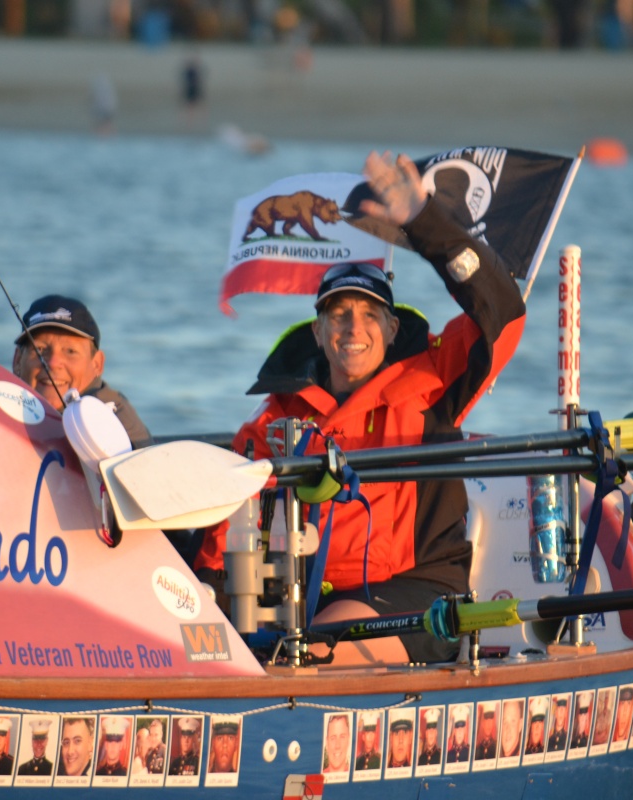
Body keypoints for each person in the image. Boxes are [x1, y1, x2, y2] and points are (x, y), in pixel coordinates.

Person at [195, 151, 527, 665]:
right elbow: (224, 527)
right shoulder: (273, 417)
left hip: (417, 594)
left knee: (310, 652)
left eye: (371, 315)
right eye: (339, 315)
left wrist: (423, 221)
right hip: (296, 599)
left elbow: (502, 314)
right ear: (319, 332)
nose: (354, 328)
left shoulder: (435, 381)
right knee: (227, 643)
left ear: (393, 330)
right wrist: (198, 606)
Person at [12, 294, 152, 449]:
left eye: (70, 351)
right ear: (17, 360)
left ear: (97, 364)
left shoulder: (110, 421)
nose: (52, 363)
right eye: (40, 349)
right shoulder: (6, 406)